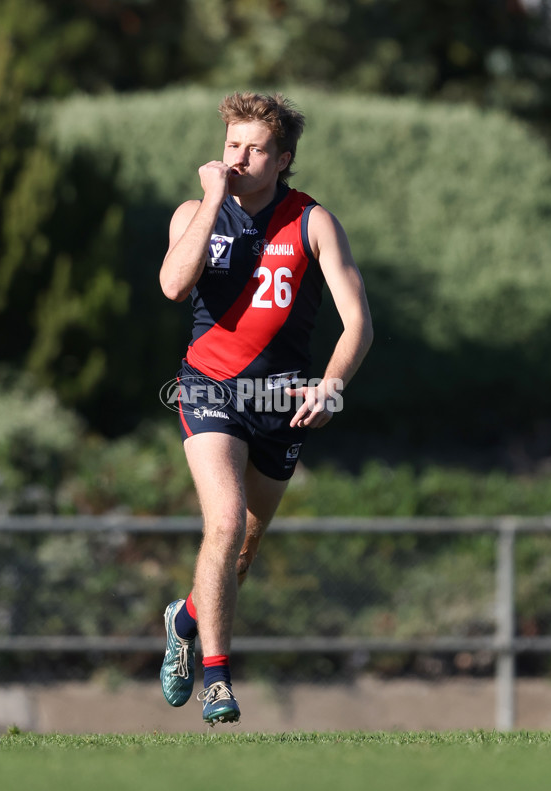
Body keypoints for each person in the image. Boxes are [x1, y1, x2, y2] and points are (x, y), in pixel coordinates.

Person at [159, 91, 373, 726]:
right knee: (223, 523)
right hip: (207, 387)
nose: (239, 157)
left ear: (283, 159)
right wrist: (213, 203)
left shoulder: (313, 222)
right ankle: (217, 681)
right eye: (232, 145)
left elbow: (357, 320)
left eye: (255, 149)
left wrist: (331, 385)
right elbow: (173, 285)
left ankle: (186, 617)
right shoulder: (195, 213)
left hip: (278, 401)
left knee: (241, 553)